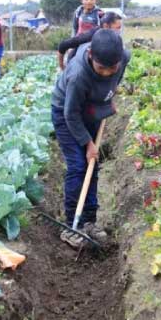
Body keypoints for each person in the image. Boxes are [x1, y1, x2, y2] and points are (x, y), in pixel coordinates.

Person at [51, 29, 131, 248]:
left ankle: (89, 221)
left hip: (92, 108)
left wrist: (109, 94)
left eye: (112, 68)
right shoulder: (78, 74)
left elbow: (115, 78)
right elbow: (71, 114)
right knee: (78, 166)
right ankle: (71, 225)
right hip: (67, 113)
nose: (106, 73)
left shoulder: (123, 57)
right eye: (101, 68)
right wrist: (88, 144)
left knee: (92, 165)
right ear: (90, 56)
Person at [57, 11, 122, 70]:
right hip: (77, 67)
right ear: (106, 26)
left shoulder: (114, 40)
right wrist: (62, 66)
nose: (119, 31)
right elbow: (63, 45)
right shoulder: (90, 36)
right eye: (118, 28)